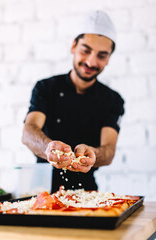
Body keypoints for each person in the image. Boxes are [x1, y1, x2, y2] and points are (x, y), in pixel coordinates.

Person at [22, 10, 125, 193]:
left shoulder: (112, 100)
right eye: (86, 50)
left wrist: (94, 155)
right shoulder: (46, 88)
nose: (91, 62)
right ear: (73, 47)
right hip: (40, 189)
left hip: (87, 192)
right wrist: (48, 148)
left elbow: (108, 150)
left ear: (109, 58)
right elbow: (28, 131)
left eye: (101, 55)